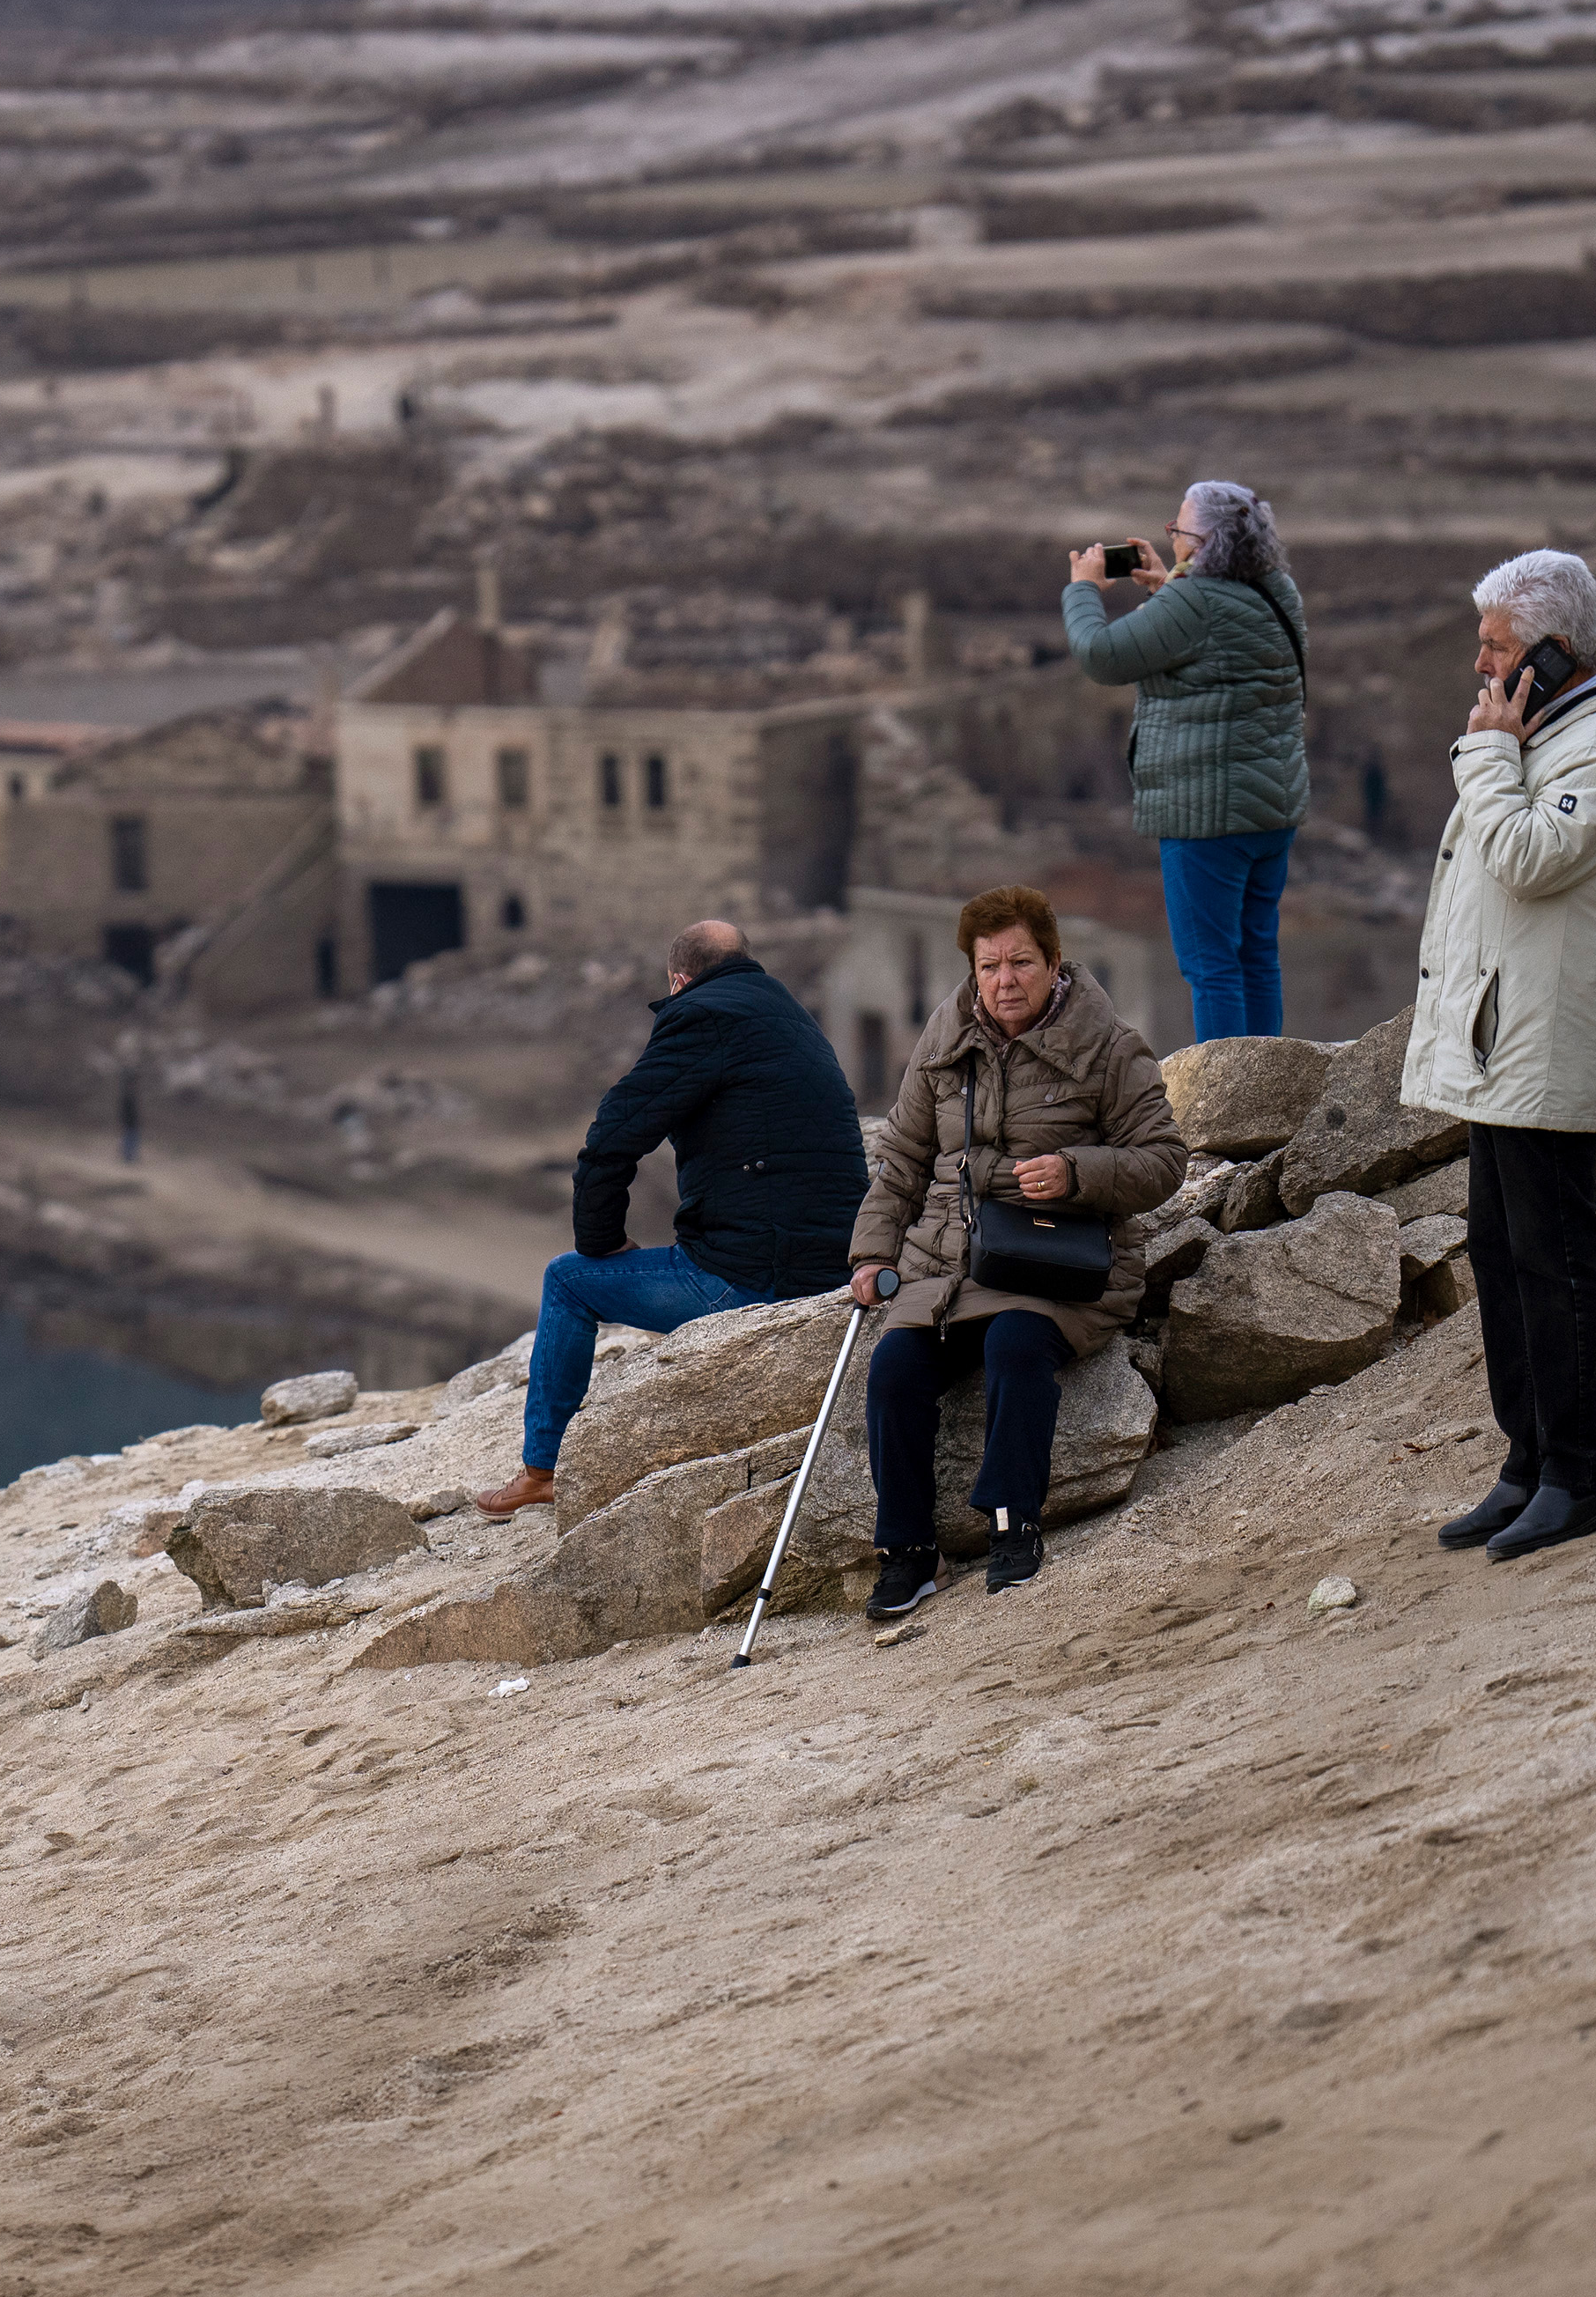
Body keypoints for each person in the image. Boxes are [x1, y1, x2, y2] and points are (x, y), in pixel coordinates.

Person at [1414, 548, 1596, 1563]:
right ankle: (1528, 1460)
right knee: (1496, 1253)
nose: (1478, 665)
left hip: (1546, 1043)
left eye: (1496, 646)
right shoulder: (1541, 734)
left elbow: (1521, 858)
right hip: (1501, 1040)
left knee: (1552, 1262)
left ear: (1556, 655)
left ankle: (1584, 1472)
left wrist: (1483, 754)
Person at [846, 887, 1187, 1608]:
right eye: (989, 966)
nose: (1005, 982)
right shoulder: (946, 1039)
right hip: (948, 1266)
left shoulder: (1109, 1046)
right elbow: (904, 1156)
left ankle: (1013, 1524)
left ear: (1054, 963)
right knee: (894, 1371)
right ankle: (909, 1552)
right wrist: (872, 1256)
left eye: (1021, 964)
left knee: (1015, 1347)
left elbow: (1164, 1160)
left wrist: (1076, 1173)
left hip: (1055, 1265)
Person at [476, 920, 867, 1519]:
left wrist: (601, 1239)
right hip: (838, 1265)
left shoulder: (699, 1016)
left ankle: (542, 1470)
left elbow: (614, 1134)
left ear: (679, 980)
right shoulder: (789, 1016)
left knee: (568, 1280)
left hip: (758, 1274)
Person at [1063, 480, 1310, 1043]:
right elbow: (1212, 654)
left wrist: (1082, 590)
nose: (1171, 538)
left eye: (1179, 531)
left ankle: (1229, 1110)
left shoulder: (1194, 603)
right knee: (1256, 956)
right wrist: (1167, 587)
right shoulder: (1277, 590)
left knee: (1211, 967)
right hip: (1272, 807)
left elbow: (1101, 656)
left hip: (1207, 816)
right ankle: (1269, 1089)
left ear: (1204, 544)